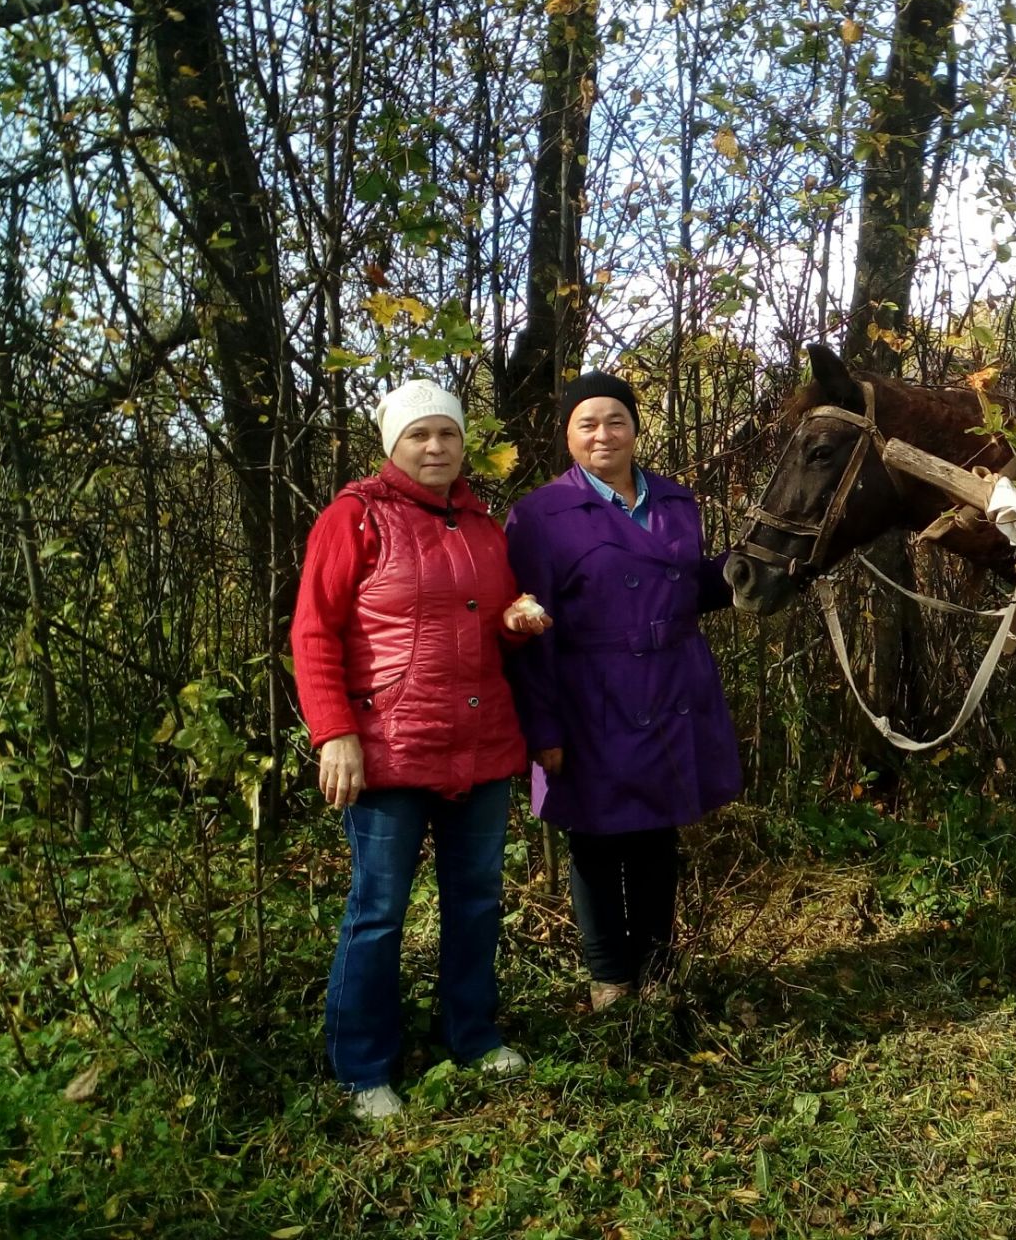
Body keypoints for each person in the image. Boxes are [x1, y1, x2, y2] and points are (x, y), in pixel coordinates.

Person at [290, 378, 552, 1120]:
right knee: (378, 909)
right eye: (419, 436)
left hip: (481, 742)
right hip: (389, 747)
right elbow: (313, 631)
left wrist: (516, 619)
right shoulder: (355, 518)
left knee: (476, 901)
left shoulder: (482, 525)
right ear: (392, 445)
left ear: (464, 444)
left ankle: (471, 1035)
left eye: (447, 434)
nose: (435, 447)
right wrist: (334, 731)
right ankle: (364, 1069)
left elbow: (485, 618)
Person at [504, 372, 739, 1012]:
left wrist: (749, 570)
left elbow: (687, 588)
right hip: (590, 694)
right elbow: (527, 628)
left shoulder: (674, 501)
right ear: (568, 436)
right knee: (597, 837)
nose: (603, 434)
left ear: (636, 428)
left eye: (616, 420)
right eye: (588, 423)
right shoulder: (539, 514)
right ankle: (610, 976)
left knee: (658, 834)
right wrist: (543, 730)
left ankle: (659, 969)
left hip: (671, 686)